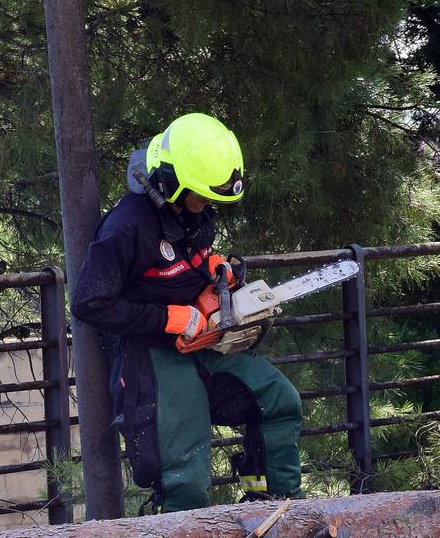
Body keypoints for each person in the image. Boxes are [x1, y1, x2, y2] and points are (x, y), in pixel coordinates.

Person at [73, 113, 302, 512]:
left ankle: (267, 497)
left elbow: (187, 253)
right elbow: (90, 302)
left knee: (277, 401)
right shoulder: (127, 226)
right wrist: (167, 318)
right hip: (152, 353)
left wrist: (211, 268)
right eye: (200, 196)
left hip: (204, 341)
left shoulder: (192, 211)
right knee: (186, 478)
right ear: (169, 182)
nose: (206, 205)